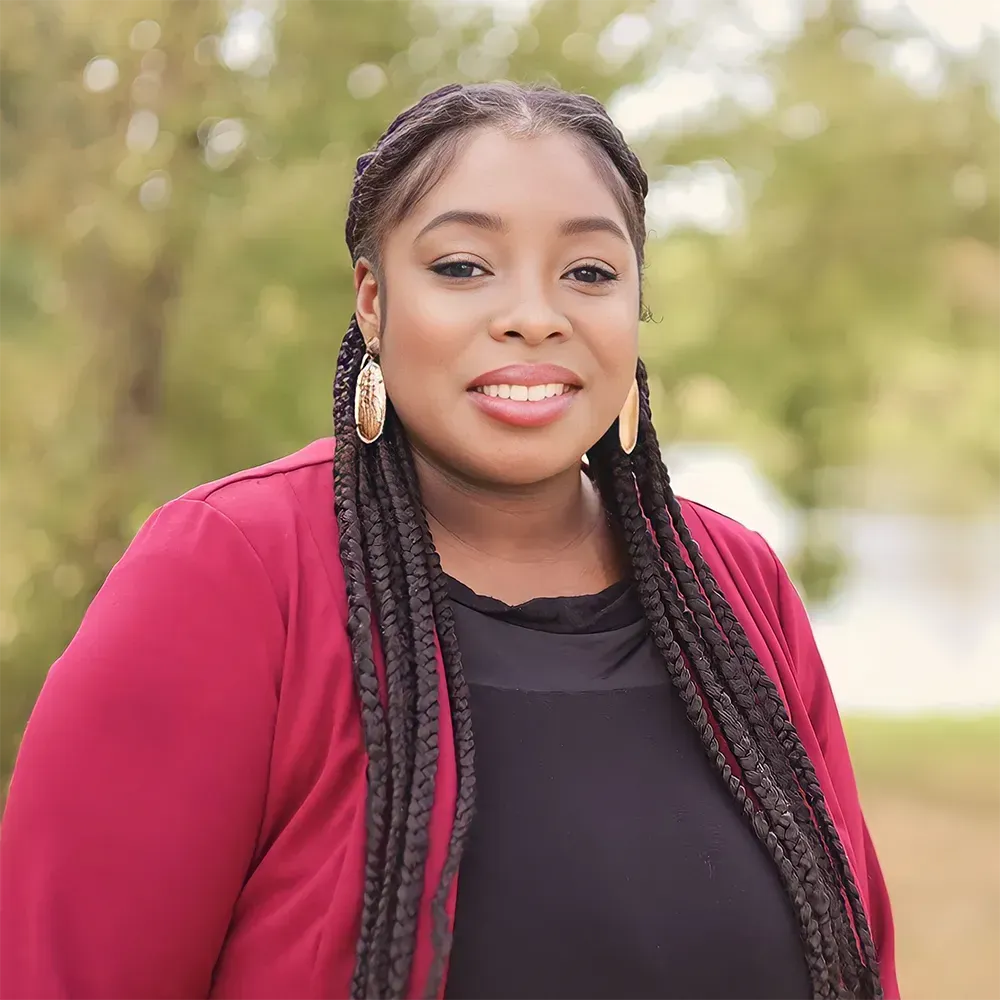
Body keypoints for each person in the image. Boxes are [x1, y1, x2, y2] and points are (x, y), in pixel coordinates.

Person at [0, 82, 899, 1000]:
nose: (534, 315)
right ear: (373, 301)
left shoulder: (735, 588)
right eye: (465, 266)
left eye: (589, 272)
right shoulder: (231, 572)